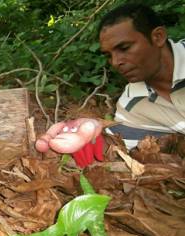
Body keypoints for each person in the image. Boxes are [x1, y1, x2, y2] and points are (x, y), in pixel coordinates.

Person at [35, 3, 184, 165]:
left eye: (125, 48)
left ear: (158, 37)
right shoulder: (132, 103)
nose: (115, 62)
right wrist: (87, 136)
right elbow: (119, 147)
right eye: (108, 55)